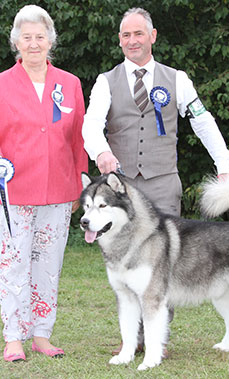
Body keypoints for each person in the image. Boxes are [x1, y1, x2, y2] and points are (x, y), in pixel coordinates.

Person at [82, 7, 229, 353]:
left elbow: (202, 120)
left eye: (138, 34)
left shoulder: (176, 79)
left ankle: (156, 338)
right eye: (125, 35)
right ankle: (132, 338)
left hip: (164, 183)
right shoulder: (106, 81)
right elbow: (91, 125)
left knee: (163, 263)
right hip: (121, 190)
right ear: (119, 40)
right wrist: (101, 153)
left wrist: (223, 161)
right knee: (123, 261)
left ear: (152, 36)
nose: (132, 40)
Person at [0, 5, 88, 362]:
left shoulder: (70, 84)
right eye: (27, 37)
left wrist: (80, 185)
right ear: (16, 42)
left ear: (51, 40)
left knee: (49, 264)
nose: (34, 44)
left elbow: (78, 138)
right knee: (13, 263)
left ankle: (41, 333)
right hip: (14, 192)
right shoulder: (2, 84)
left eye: (40, 37)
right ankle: (13, 337)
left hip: (58, 191)